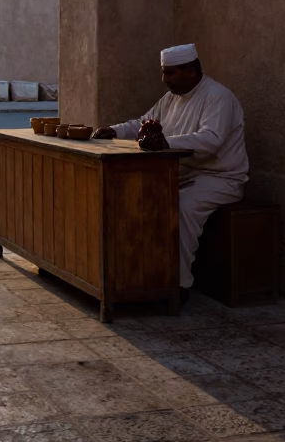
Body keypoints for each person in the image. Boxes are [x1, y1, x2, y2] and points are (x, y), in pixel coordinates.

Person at [93, 44, 248, 296]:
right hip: (178, 174)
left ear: (191, 71)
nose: (165, 79)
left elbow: (211, 141)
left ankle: (178, 285)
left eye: (170, 73)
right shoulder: (170, 98)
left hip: (220, 179)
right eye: (164, 72)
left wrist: (165, 143)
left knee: (181, 208)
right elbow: (144, 123)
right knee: (138, 199)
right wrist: (114, 130)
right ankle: (139, 274)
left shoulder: (218, 97)